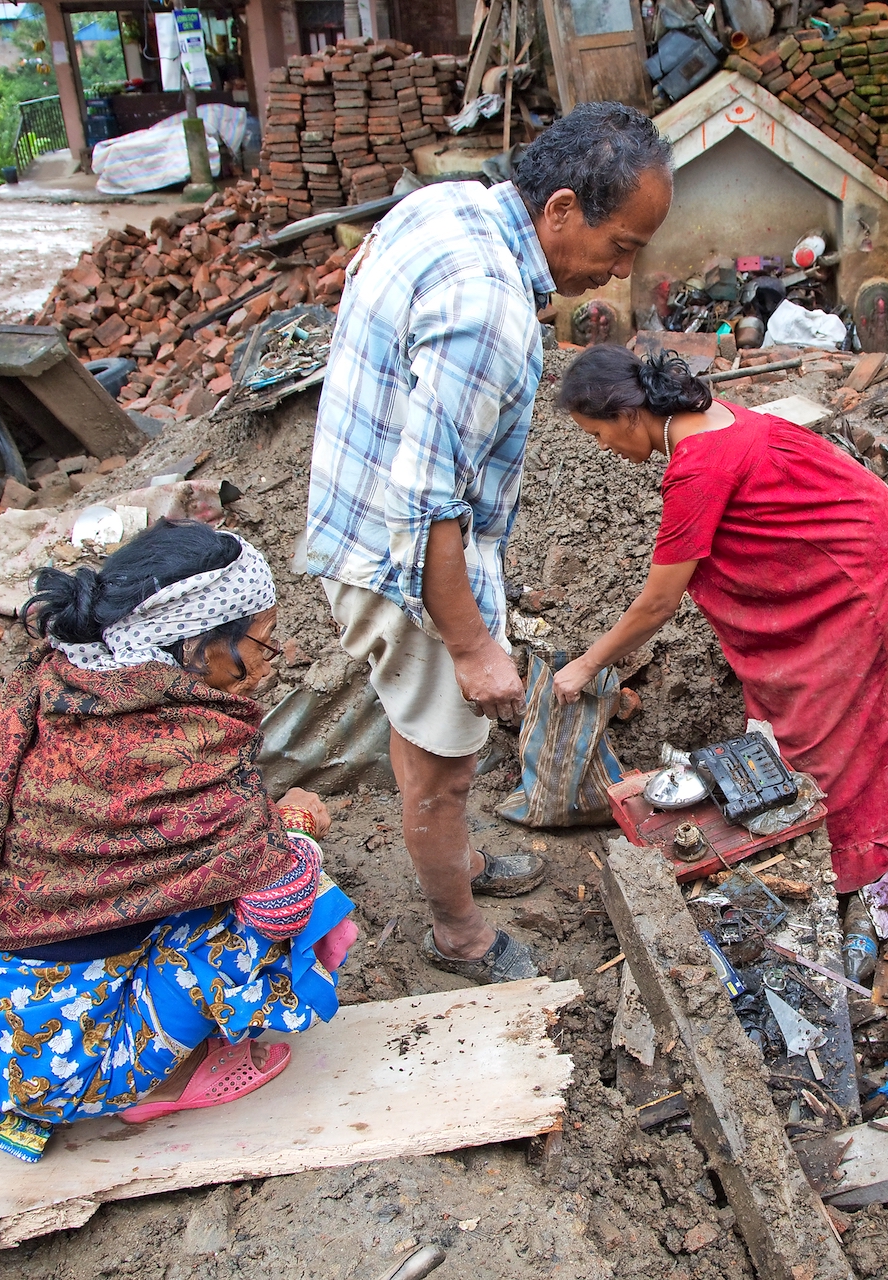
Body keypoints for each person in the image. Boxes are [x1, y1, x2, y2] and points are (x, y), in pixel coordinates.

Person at [304, 101, 674, 985]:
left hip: (362, 515)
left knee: (421, 725)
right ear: (559, 209)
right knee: (450, 768)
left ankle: (454, 862)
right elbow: (427, 498)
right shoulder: (489, 312)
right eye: (620, 245)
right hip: (400, 562)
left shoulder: (449, 205)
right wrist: (470, 644)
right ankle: (457, 932)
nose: (622, 270)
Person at [0, 520, 359, 1162]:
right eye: (264, 641)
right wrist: (300, 827)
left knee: (242, 859)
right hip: (62, 1065)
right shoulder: (181, 744)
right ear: (194, 645)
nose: (271, 663)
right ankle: (166, 1079)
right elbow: (276, 899)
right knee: (294, 889)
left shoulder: (61, 685)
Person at [550, 347, 888, 907]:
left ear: (629, 415)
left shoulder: (698, 467)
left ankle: (851, 860)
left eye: (597, 433)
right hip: (859, 545)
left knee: (825, 729)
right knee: (793, 724)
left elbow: (658, 604)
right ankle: (825, 844)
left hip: (858, 571)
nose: (602, 448)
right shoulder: (709, 418)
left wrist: (585, 666)